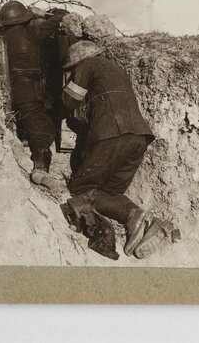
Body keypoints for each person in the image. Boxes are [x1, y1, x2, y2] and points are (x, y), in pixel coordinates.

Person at [58, 40, 174, 259]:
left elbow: (70, 99)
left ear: (79, 61)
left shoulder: (88, 64)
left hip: (112, 135)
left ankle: (133, 214)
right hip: (139, 137)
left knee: (82, 190)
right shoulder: (118, 70)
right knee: (111, 193)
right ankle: (145, 222)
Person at [0, 0, 67, 188]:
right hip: (28, 89)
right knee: (41, 129)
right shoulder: (31, 31)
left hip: (6, 89)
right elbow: (61, 15)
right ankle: (40, 168)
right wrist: (42, 14)